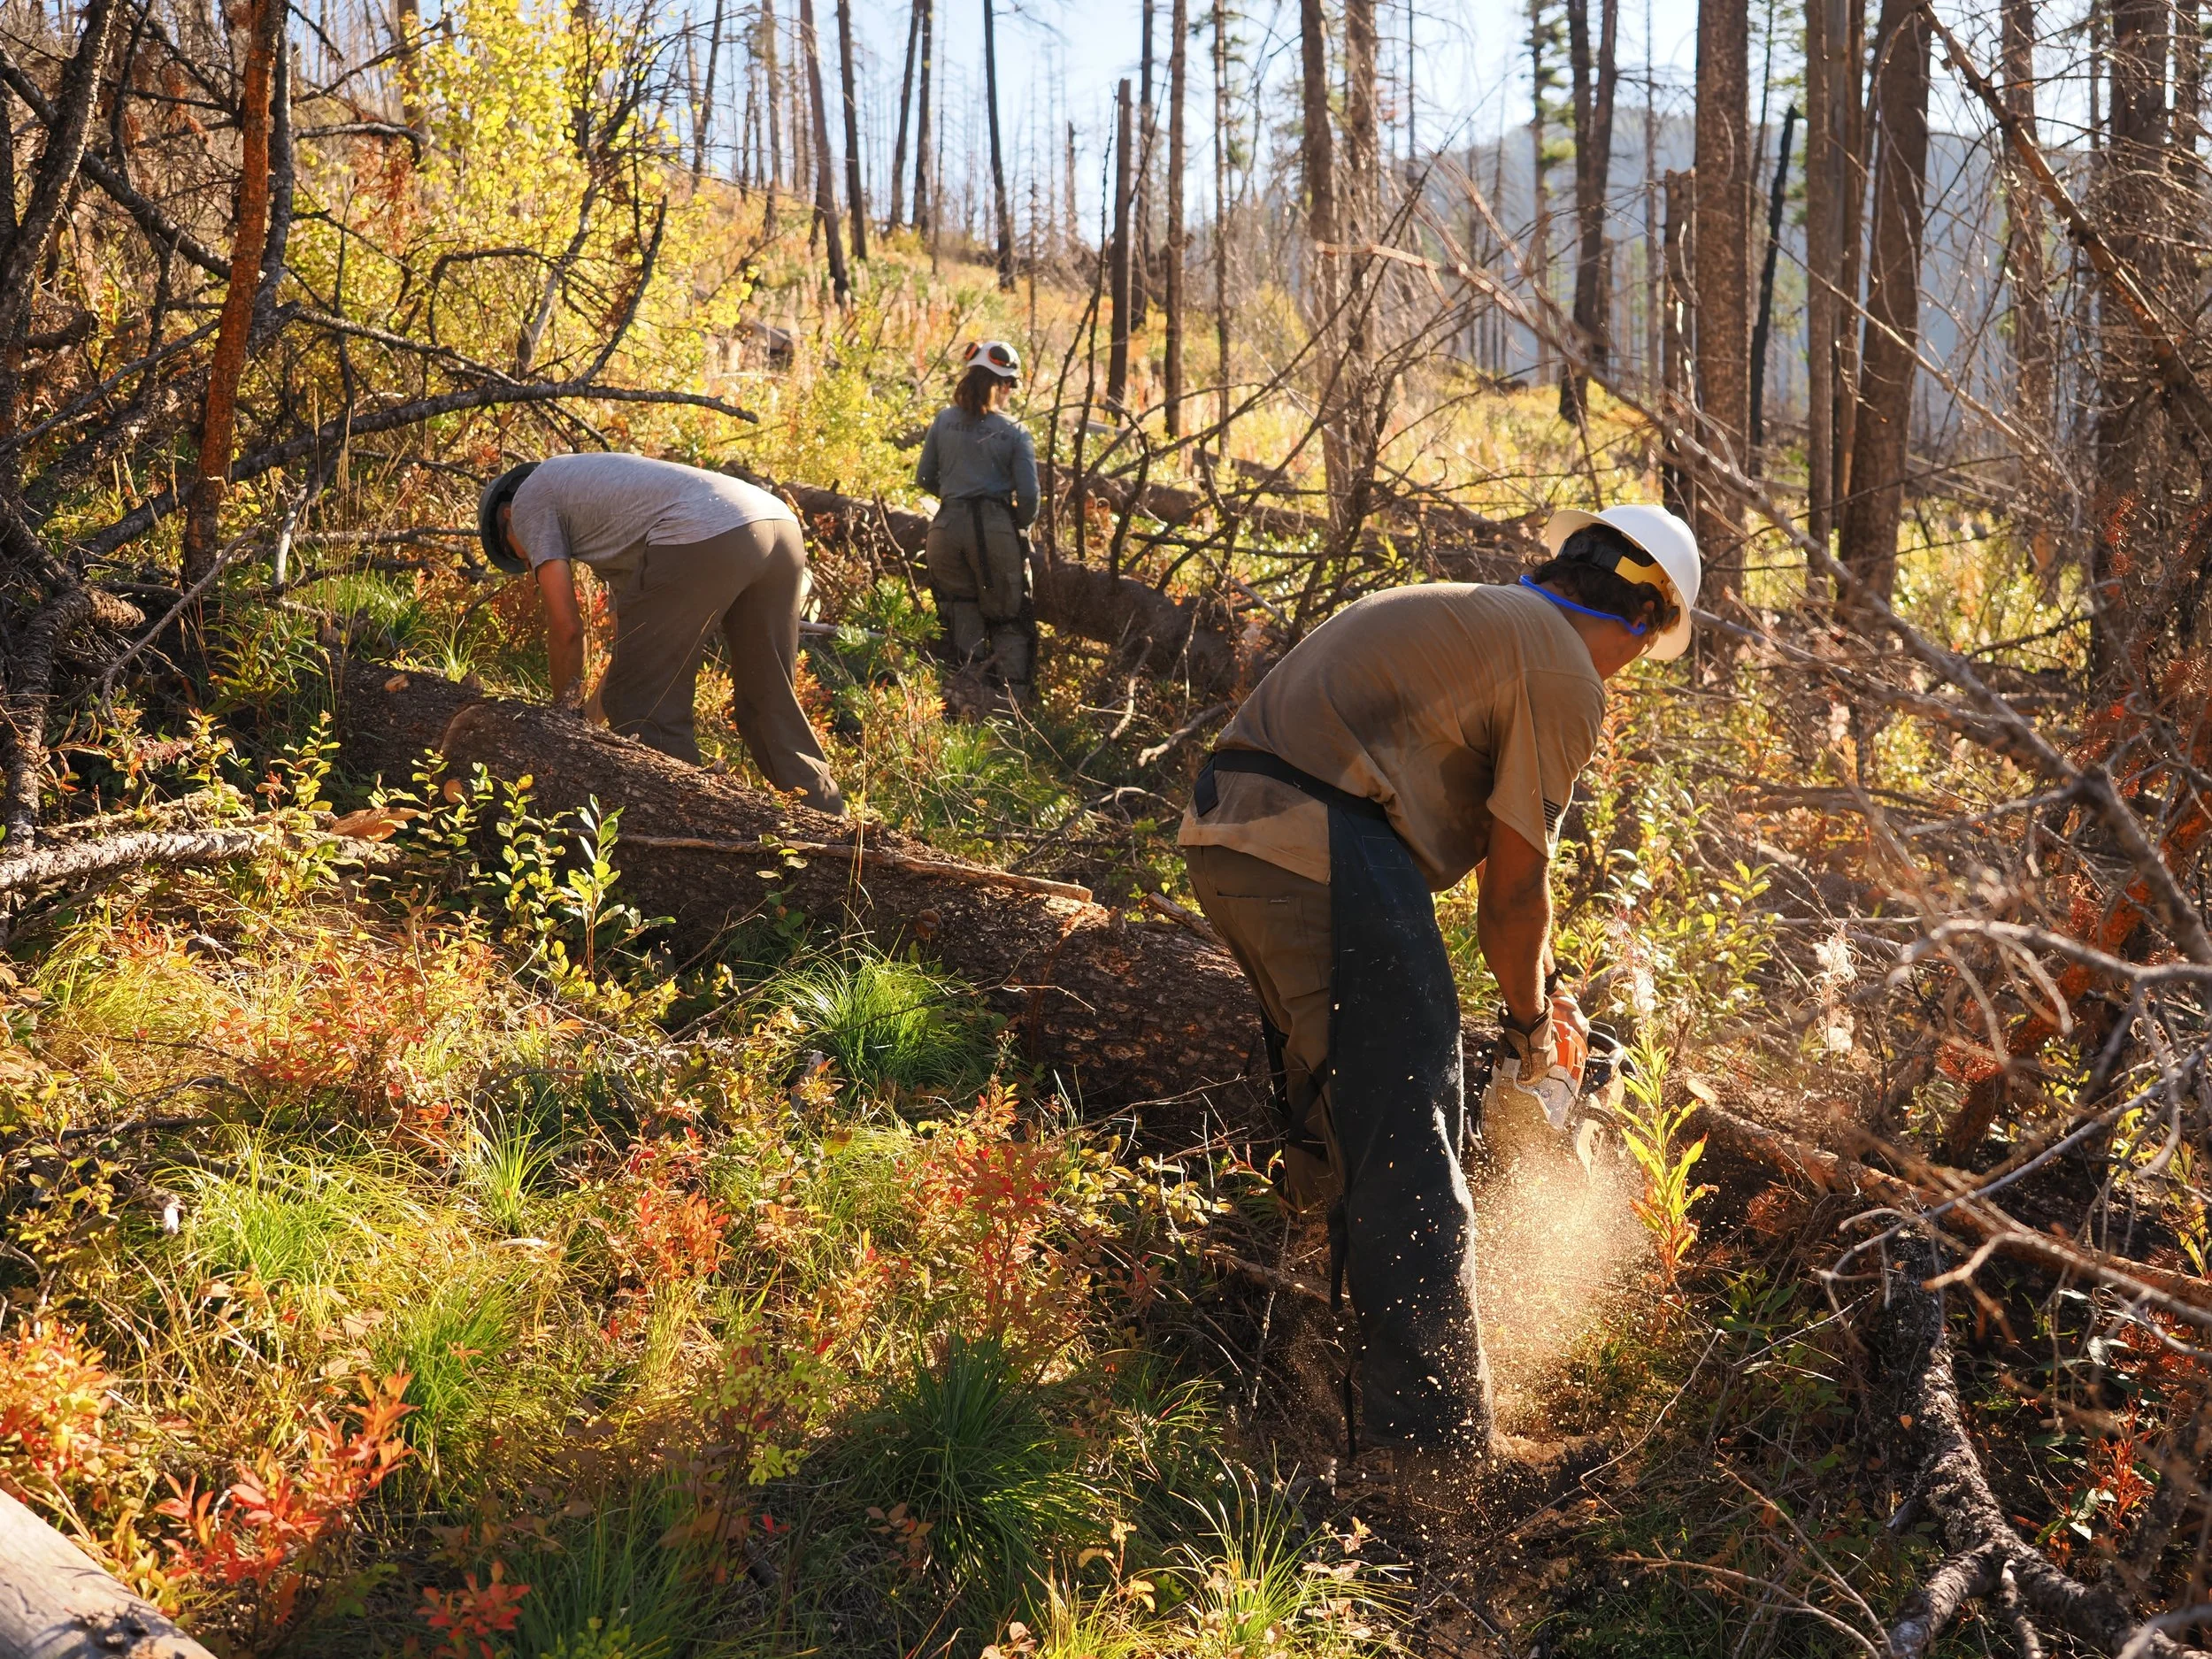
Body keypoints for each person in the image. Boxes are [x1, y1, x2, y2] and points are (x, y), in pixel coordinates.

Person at [1178, 503, 1701, 1509]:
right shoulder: (1559, 666)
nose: (1632, 668)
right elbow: (1510, 895)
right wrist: (1528, 1029)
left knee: (1343, 1120)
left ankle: (1301, 1374)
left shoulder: (1482, 616)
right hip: (1318, 840)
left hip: (1234, 836)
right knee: (1413, 1133)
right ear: (1640, 613)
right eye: (1648, 645)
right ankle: (1439, 1463)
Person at [477, 451, 845, 815]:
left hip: (712, 528)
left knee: (649, 712)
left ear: (507, 517)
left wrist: (561, 719)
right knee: (768, 702)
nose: (529, 565)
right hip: (776, 524)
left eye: (520, 557)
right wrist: (585, 723)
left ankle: (689, 834)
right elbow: (631, 658)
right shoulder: (615, 525)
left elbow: (567, 629)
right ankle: (835, 833)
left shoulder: (528, 499)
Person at [916, 340, 1041, 704]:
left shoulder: (943, 420)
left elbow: (925, 478)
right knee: (1009, 619)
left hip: (944, 530)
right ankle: (1011, 714)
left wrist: (956, 496)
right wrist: (1012, 525)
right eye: (1012, 385)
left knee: (960, 614)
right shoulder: (1014, 431)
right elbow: (1030, 498)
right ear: (1003, 384)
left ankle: (962, 706)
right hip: (993, 530)